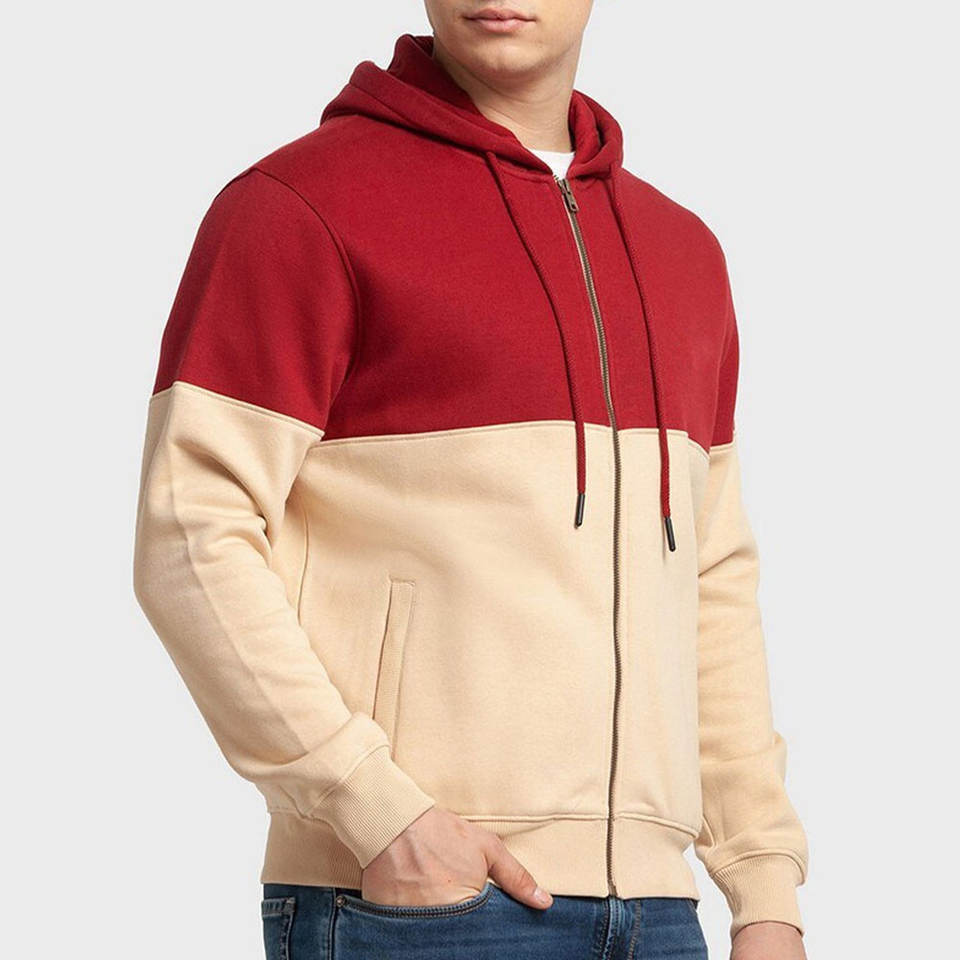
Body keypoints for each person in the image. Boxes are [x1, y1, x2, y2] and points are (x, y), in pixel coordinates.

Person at [133, 3, 809, 958]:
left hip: (661, 911)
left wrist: (763, 885)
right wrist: (376, 810)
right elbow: (190, 532)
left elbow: (713, 583)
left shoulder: (682, 253)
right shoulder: (299, 207)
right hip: (411, 900)